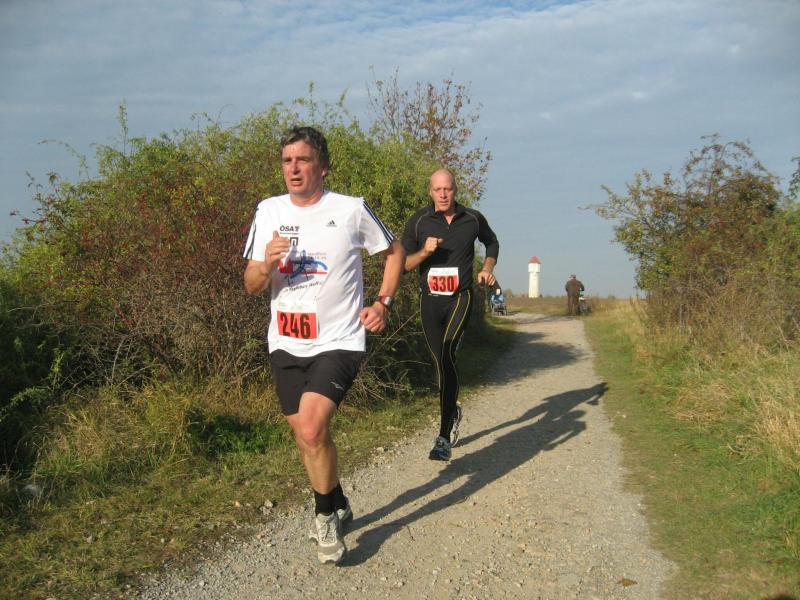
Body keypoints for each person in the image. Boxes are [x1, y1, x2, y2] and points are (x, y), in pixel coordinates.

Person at [243, 126, 404, 564]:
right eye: (287, 160)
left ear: (323, 166)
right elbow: (252, 283)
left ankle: (325, 517)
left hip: (339, 340)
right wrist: (266, 264)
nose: (293, 168)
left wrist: (383, 303)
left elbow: (394, 252)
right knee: (305, 436)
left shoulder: (350, 209)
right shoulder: (268, 211)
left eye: (303, 160)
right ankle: (338, 498)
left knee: (313, 429)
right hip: (285, 342)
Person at [401, 168, 499, 461]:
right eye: (437, 189)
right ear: (430, 192)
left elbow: (492, 242)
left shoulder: (472, 218)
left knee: (446, 355)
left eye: (448, 189)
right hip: (430, 301)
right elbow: (403, 264)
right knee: (441, 364)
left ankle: (443, 437)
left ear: (456, 190)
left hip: (460, 297)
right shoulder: (419, 221)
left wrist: (487, 269)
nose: (443, 194)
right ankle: (452, 410)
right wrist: (424, 252)